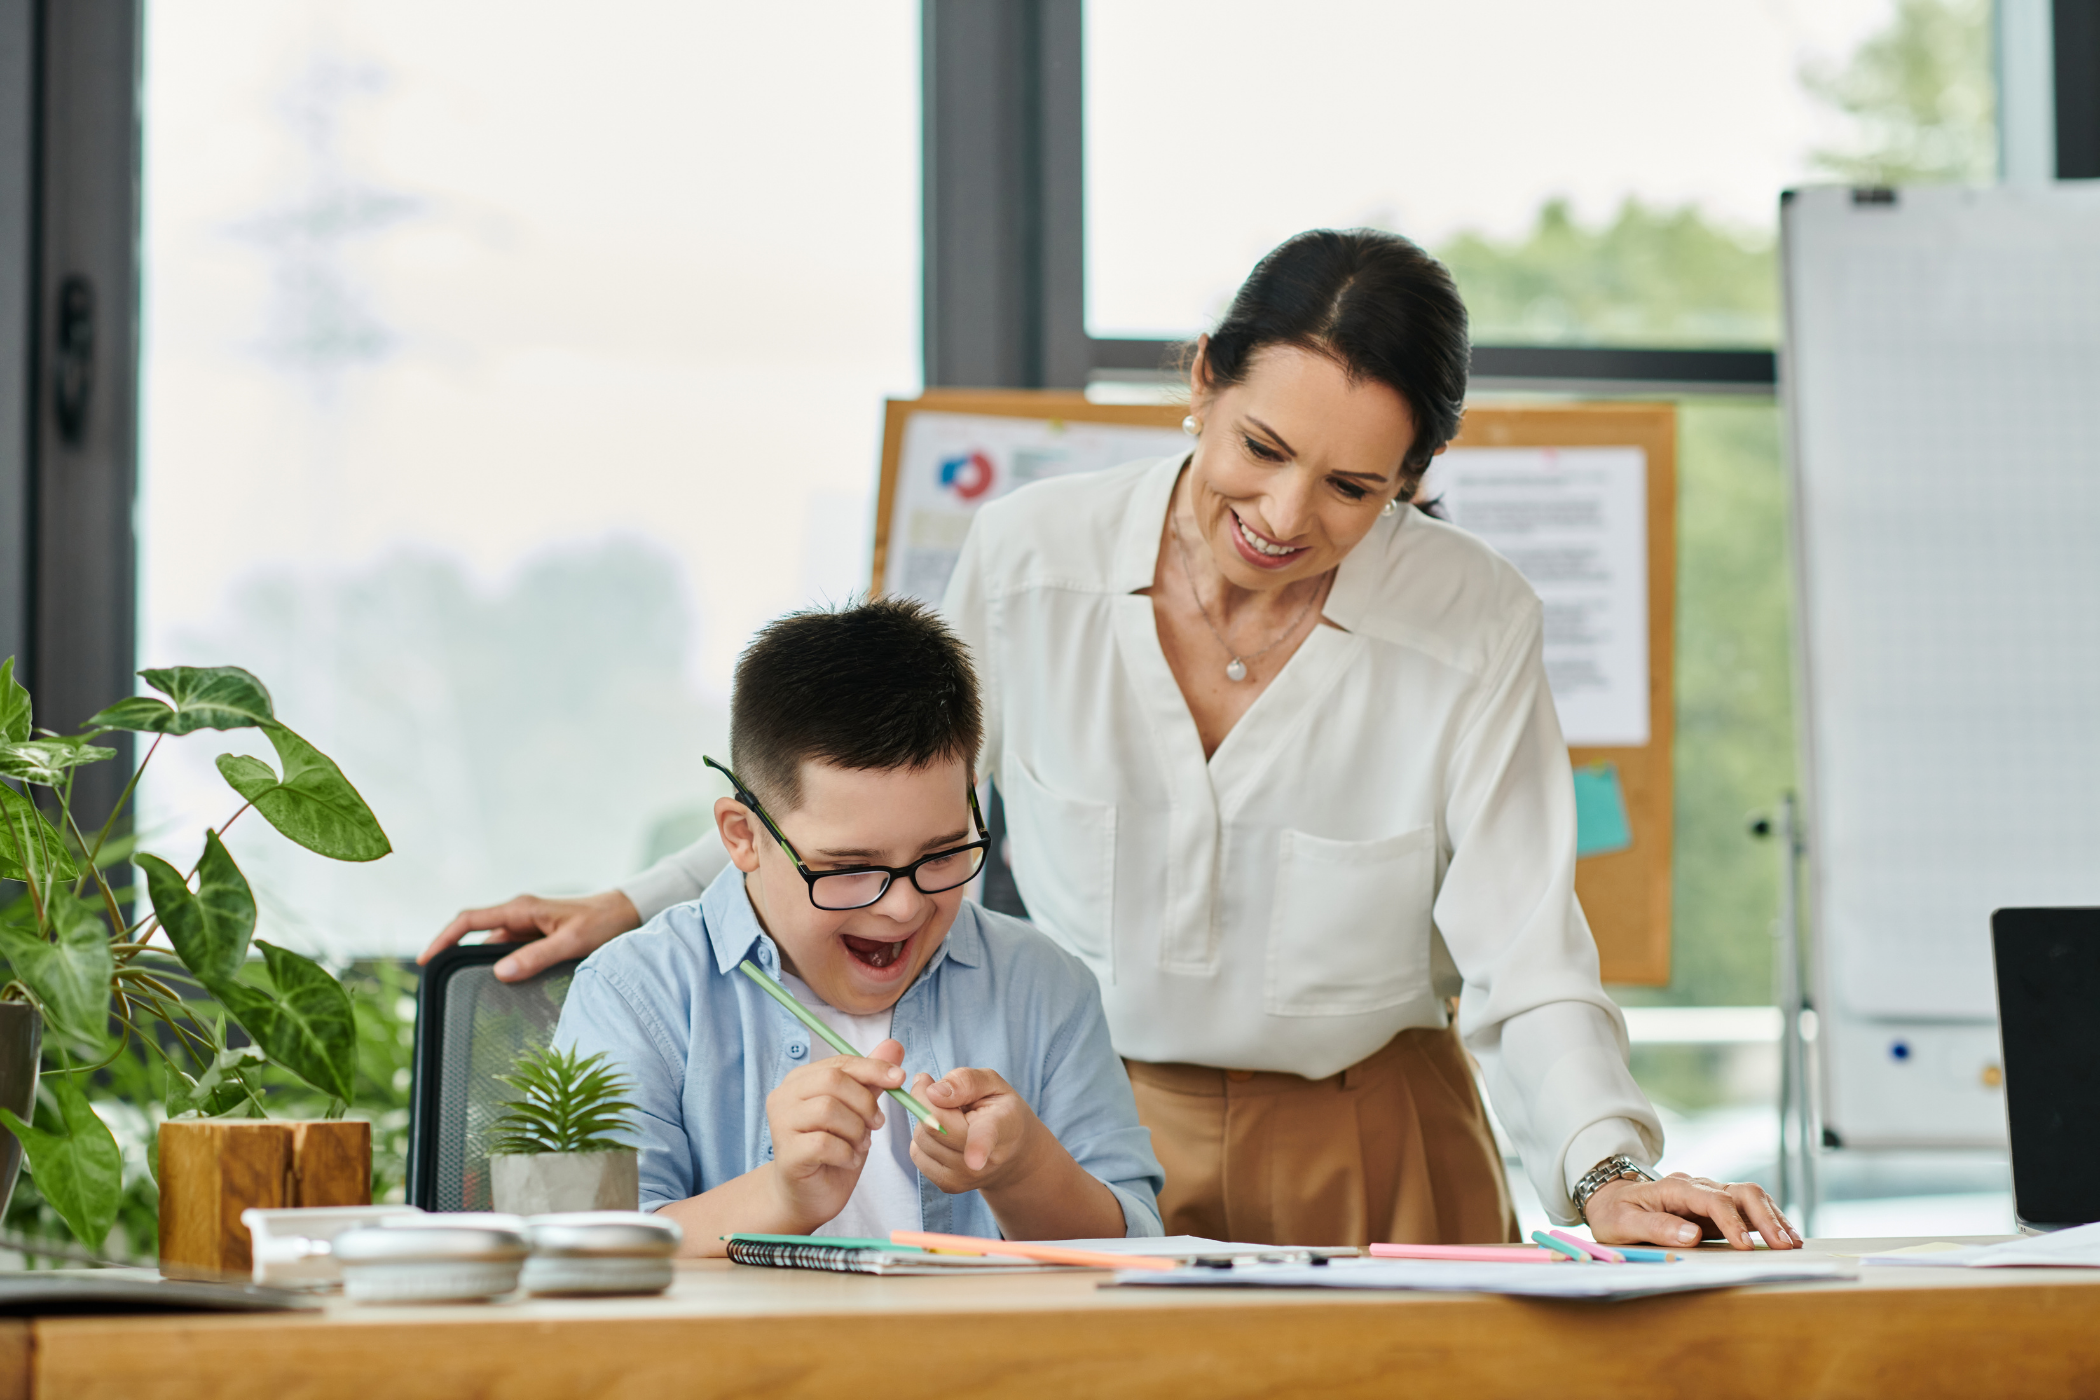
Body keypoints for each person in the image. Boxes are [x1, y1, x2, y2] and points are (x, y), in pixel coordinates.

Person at [430, 228, 1799, 1254]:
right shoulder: (1033, 559)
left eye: (1352, 487)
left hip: (1374, 1132)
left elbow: (1526, 946)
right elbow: (885, 789)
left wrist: (1607, 1169)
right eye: (1257, 445)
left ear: (1416, 482)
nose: (1280, 512)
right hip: (1092, 1124)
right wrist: (639, 902)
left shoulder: (1472, 619)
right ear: (1200, 384)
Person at [551, 598, 1164, 1252]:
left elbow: (1136, 1248)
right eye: (849, 867)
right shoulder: (633, 994)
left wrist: (1025, 1171)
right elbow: (580, 1250)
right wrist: (779, 1197)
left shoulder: (1043, 986)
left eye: (941, 854)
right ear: (743, 836)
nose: (902, 907)